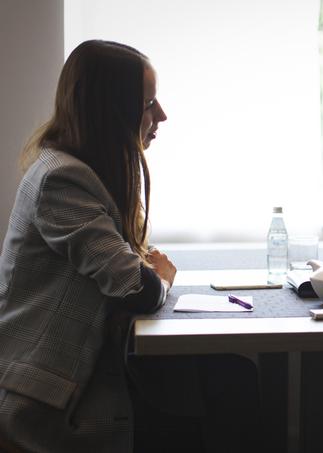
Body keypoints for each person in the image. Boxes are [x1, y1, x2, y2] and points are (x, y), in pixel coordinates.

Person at [0, 40, 259, 452]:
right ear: (111, 111)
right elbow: (137, 288)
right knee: (232, 388)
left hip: (90, 370)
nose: (161, 115)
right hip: (52, 400)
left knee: (233, 379)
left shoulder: (80, 172)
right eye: (149, 103)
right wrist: (162, 277)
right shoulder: (61, 180)